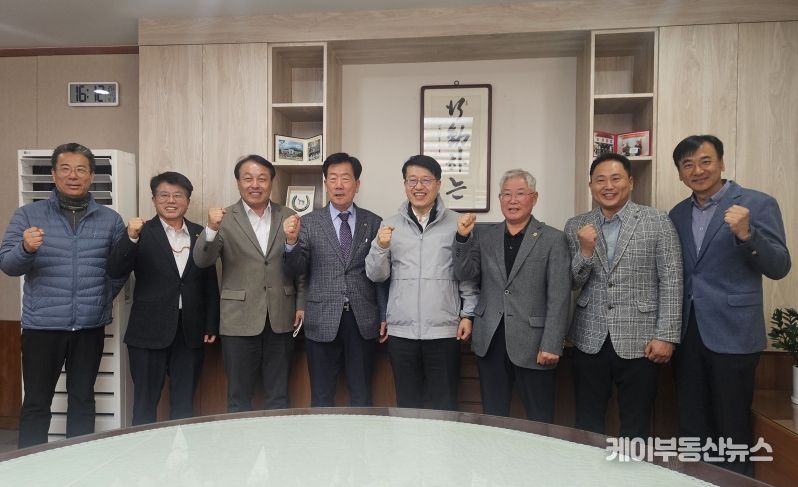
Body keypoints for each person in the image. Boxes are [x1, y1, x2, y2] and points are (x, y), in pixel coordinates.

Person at [669, 134, 790, 476]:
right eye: (688, 165)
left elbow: (779, 266)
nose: (697, 170)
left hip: (734, 332)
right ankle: (695, 480)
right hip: (688, 332)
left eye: (705, 161)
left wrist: (747, 234)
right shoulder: (677, 213)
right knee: (692, 422)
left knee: (732, 425)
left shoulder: (757, 204)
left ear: (721, 163)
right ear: (680, 173)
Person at [0, 142, 127, 448]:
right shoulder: (28, 215)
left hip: (89, 326)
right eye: (66, 169)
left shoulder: (110, 220)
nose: (73, 176)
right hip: (42, 326)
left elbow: (120, 268)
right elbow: (8, 265)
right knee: (36, 402)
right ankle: (31, 464)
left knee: (83, 399)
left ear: (92, 176)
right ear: (54, 174)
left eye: (81, 169)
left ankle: (79, 464)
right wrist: (26, 248)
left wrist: (101, 297)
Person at [564, 152, 682, 439]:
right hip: (589, 337)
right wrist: (585, 252)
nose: (608, 186)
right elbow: (572, 282)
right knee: (587, 420)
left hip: (642, 339)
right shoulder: (576, 225)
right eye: (600, 180)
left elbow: (672, 280)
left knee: (637, 421)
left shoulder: (657, 221)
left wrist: (666, 335)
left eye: (615, 178)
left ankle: (633, 467)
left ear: (630, 182)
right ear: (590, 185)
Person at [452, 169, 571, 422]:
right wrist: (462, 238)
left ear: (534, 198)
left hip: (534, 343)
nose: (512, 200)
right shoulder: (485, 236)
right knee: (494, 418)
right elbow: (465, 273)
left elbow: (559, 296)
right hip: (490, 340)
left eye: (520, 194)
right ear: (499, 198)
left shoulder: (553, 239)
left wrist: (551, 344)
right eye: (506, 194)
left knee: (540, 419)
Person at [365, 154, 477, 411]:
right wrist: (381, 246)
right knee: (408, 407)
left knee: (445, 406)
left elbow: (467, 274)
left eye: (426, 180)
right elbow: (375, 275)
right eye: (412, 180)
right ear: (405, 185)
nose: (419, 187)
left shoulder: (457, 223)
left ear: (438, 184)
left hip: (444, 331)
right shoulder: (389, 225)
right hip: (402, 332)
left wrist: (468, 314)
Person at [193, 155, 305, 412]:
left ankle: (277, 438)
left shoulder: (289, 215)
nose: (255, 184)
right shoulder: (223, 218)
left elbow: (299, 269)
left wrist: (301, 304)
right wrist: (210, 229)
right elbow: (202, 261)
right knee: (238, 398)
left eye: (262, 179)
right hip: (238, 320)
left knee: (279, 397)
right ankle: (239, 440)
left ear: (271, 182)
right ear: (238, 182)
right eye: (248, 178)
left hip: (281, 317)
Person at [107, 171, 220, 425]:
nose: (171, 201)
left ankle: (181, 450)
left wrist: (211, 323)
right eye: (164, 195)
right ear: (154, 200)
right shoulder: (141, 232)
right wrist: (131, 237)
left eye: (178, 195)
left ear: (187, 200)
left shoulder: (200, 233)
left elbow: (210, 282)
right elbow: (115, 269)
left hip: (189, 331)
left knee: (184, 403)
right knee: (145, 403)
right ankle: (143, 450)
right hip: (148, 331)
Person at [282, 152, 387, 407]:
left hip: (363, 319)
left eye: (345, 178)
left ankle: (361, 435)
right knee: (321, 396)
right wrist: (291, 242)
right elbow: (295, 269)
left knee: (362, 395)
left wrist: (384, 315)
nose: (339, 185)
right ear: (325, 183)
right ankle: (322, 436)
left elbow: (380, 276)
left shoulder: (373, 222)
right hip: (322, 318)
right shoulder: (308, 223)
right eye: (333, 178)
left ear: (357, 184)